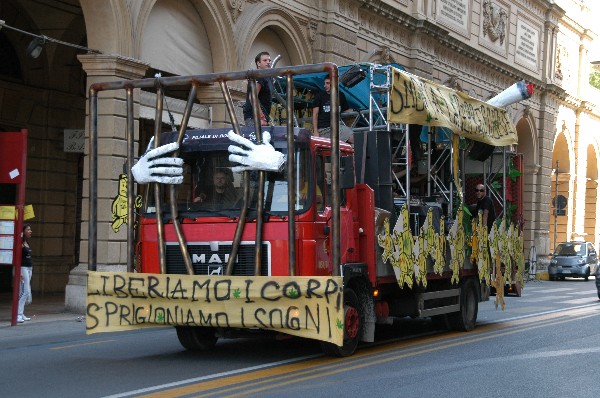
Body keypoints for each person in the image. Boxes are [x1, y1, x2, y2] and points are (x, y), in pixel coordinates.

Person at [312, 76, 354, 143]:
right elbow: (315, 114)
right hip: (323, 129)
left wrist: (356, 110)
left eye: (327, 83)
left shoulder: (340, 95)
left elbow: (345, 110)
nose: (325, 85)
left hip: (337, 127)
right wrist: (315, 131)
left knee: (352, 137)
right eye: (325, 83)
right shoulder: (319, 96)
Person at [243, 51, 273, 127]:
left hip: (261, 117)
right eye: (265, 60)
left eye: (269, 60)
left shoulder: (268, 77)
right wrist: (262, 117)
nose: (268, 62)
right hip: (255, 117)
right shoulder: (259, 75)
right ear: (258, 63)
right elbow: (252, 97)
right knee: (257, 138)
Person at [17, 223, 33, 323]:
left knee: (24, 291)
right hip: (23, 268)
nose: (30, 231)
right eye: (28, 229)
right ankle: (17, 314)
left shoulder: (26, 242)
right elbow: (18, 258)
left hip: (29, 268)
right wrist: (19, 272)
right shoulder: (20, 243)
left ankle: (21, 313)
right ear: (23, 231)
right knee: (25, 291)